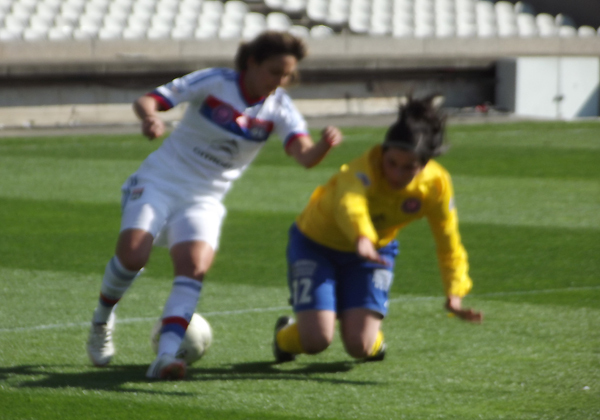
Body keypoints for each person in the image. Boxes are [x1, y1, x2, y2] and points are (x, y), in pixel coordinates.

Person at [86, 31, 343, 380]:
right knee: (133, 256)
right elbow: (150, 100)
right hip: (160, 181)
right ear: (251, 63)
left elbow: (305, 155)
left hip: (205, 199)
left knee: (193, 268)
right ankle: (102, 320)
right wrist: (150, 118)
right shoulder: (215, 81)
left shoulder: (279, 107)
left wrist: (325, 145)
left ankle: (165, 357)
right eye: (274, 71)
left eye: (287, 75)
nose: (280, 81)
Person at [272, 94, 482, 364]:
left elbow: (448, 241)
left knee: (360, 347)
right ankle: (282, 336)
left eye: (409, 167)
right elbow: (350, 203)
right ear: (383, 152)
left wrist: (455, 294)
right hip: (315, 245)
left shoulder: (437, 185)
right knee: (316, 341)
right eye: (391, 163)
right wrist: (362, 236)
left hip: (375, 253)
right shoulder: (362, 169)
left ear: (426, 163)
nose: (396, 174)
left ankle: (372, 339)